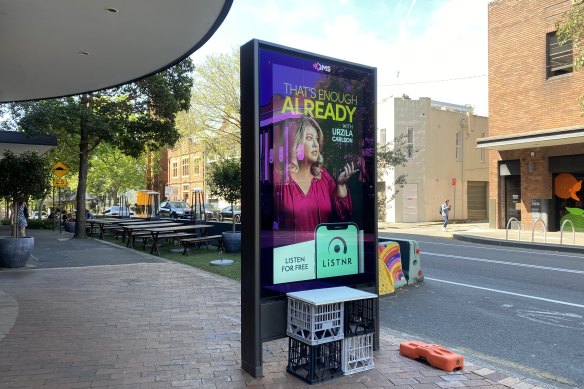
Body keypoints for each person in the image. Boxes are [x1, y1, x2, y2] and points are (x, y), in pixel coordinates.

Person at [276, 116, 359, 234]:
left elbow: (344, 217)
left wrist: (341, 186)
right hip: (292, 251)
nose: (316, 144)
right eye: (309, 138)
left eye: (317, 139)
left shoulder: (324, 177)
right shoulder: (281, 179)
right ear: (296, 142)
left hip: (323, 249)